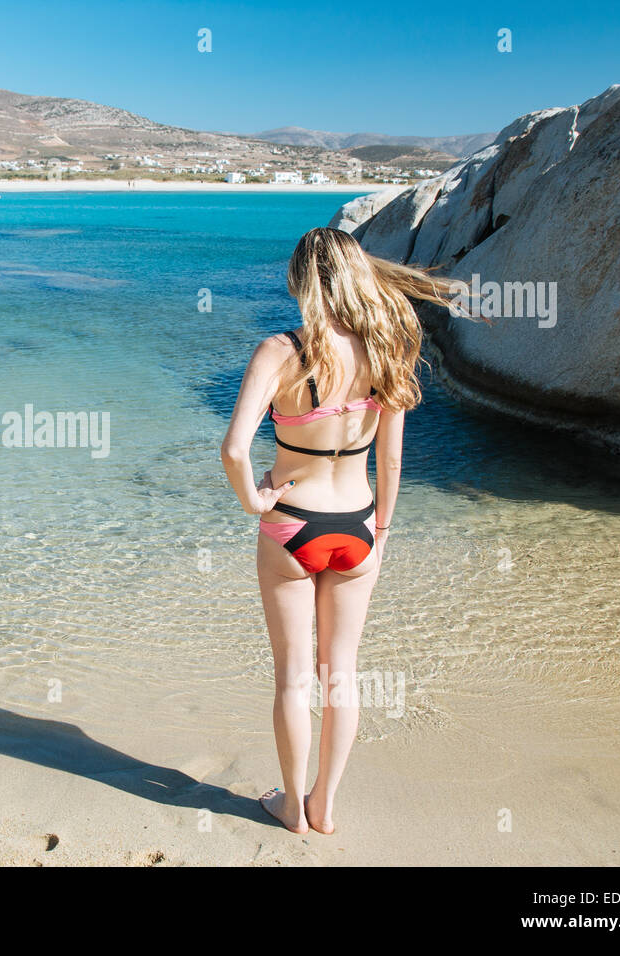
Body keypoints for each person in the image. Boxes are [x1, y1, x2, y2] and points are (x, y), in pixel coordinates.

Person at [221, 227, 467, 834]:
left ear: (300, 280)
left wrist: (255, 498)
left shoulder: (281, 350)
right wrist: (381, 528)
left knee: (292, 677)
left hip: (292, 527)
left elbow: (232, 449)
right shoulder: (389, 350)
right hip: (357, 526)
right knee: (342, 674)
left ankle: (290, 807)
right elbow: (393, 461)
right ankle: (325, 805)